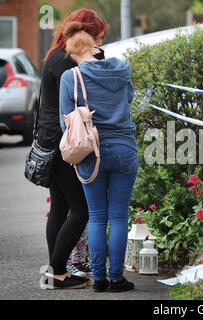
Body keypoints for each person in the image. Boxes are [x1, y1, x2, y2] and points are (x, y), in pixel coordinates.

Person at [59, 22, 139, 293]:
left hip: (92, 153)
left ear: (72, 53)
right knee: (119, 216)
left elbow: (65, 124)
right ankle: (117, 279)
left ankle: (100, 280)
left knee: (96, 216)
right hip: (125, 148)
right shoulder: (122, 68)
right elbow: (128, 100)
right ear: (94, 47)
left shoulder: (70, 77)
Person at [38, 9, 107, 289]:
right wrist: (98, 57)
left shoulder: (54, 55)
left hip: (49, 140)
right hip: (65, 143)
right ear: (87, 35)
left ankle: (59, 269)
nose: (98, 44)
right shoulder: (68, 61)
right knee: (81, 210)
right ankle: (56, 273)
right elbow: (88, 90)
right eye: (98, 37)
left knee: (60, 207)